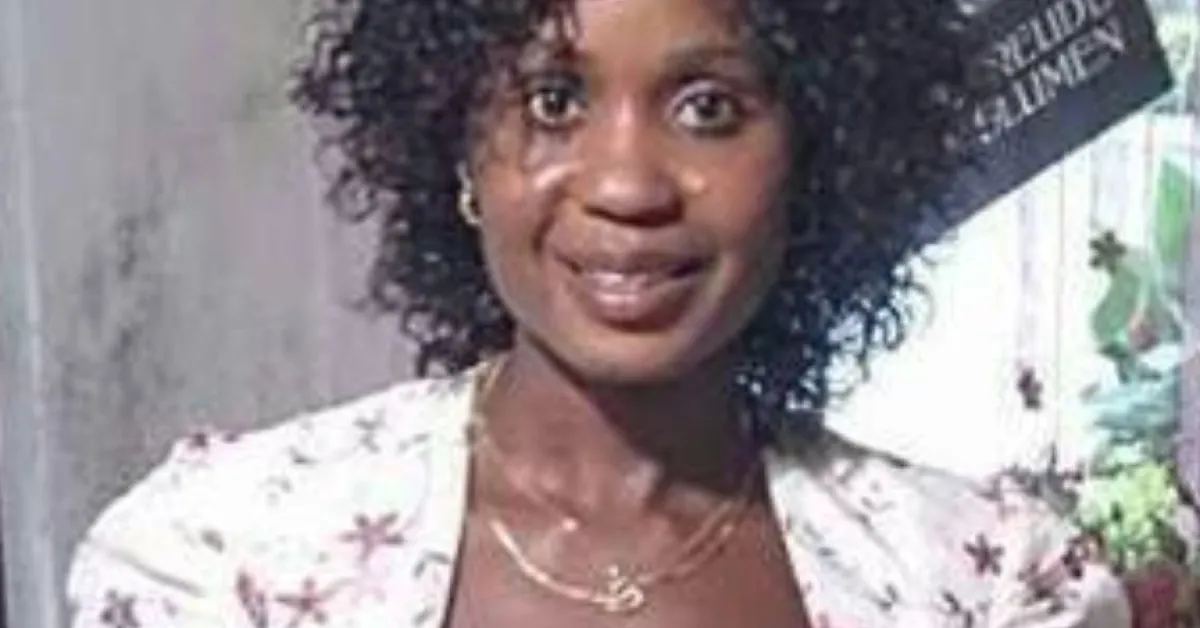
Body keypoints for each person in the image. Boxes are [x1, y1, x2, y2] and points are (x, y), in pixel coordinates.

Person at [66, 0, 1134, 626]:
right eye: (554, 100)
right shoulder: (224, 560)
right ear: (459, 153)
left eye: (709, 108)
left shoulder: (994, 586)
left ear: (814, 159)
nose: (627, 184)